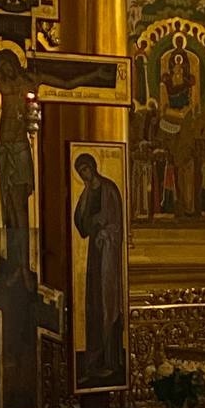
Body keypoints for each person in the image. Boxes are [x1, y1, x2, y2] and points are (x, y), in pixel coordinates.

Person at [73, 153, 126, 386]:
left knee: (108, 303)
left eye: (86, 169)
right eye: (80, 172)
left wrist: (105, 232)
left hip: (109, 257)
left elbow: (117, 224)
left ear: (94, 167)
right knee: (94, 304)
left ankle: (111, 361)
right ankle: (94, 361)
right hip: (94, 256)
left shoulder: (109, 189)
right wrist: (90, 218)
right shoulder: (87, 194)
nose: (84, 174)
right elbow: (81, 225)